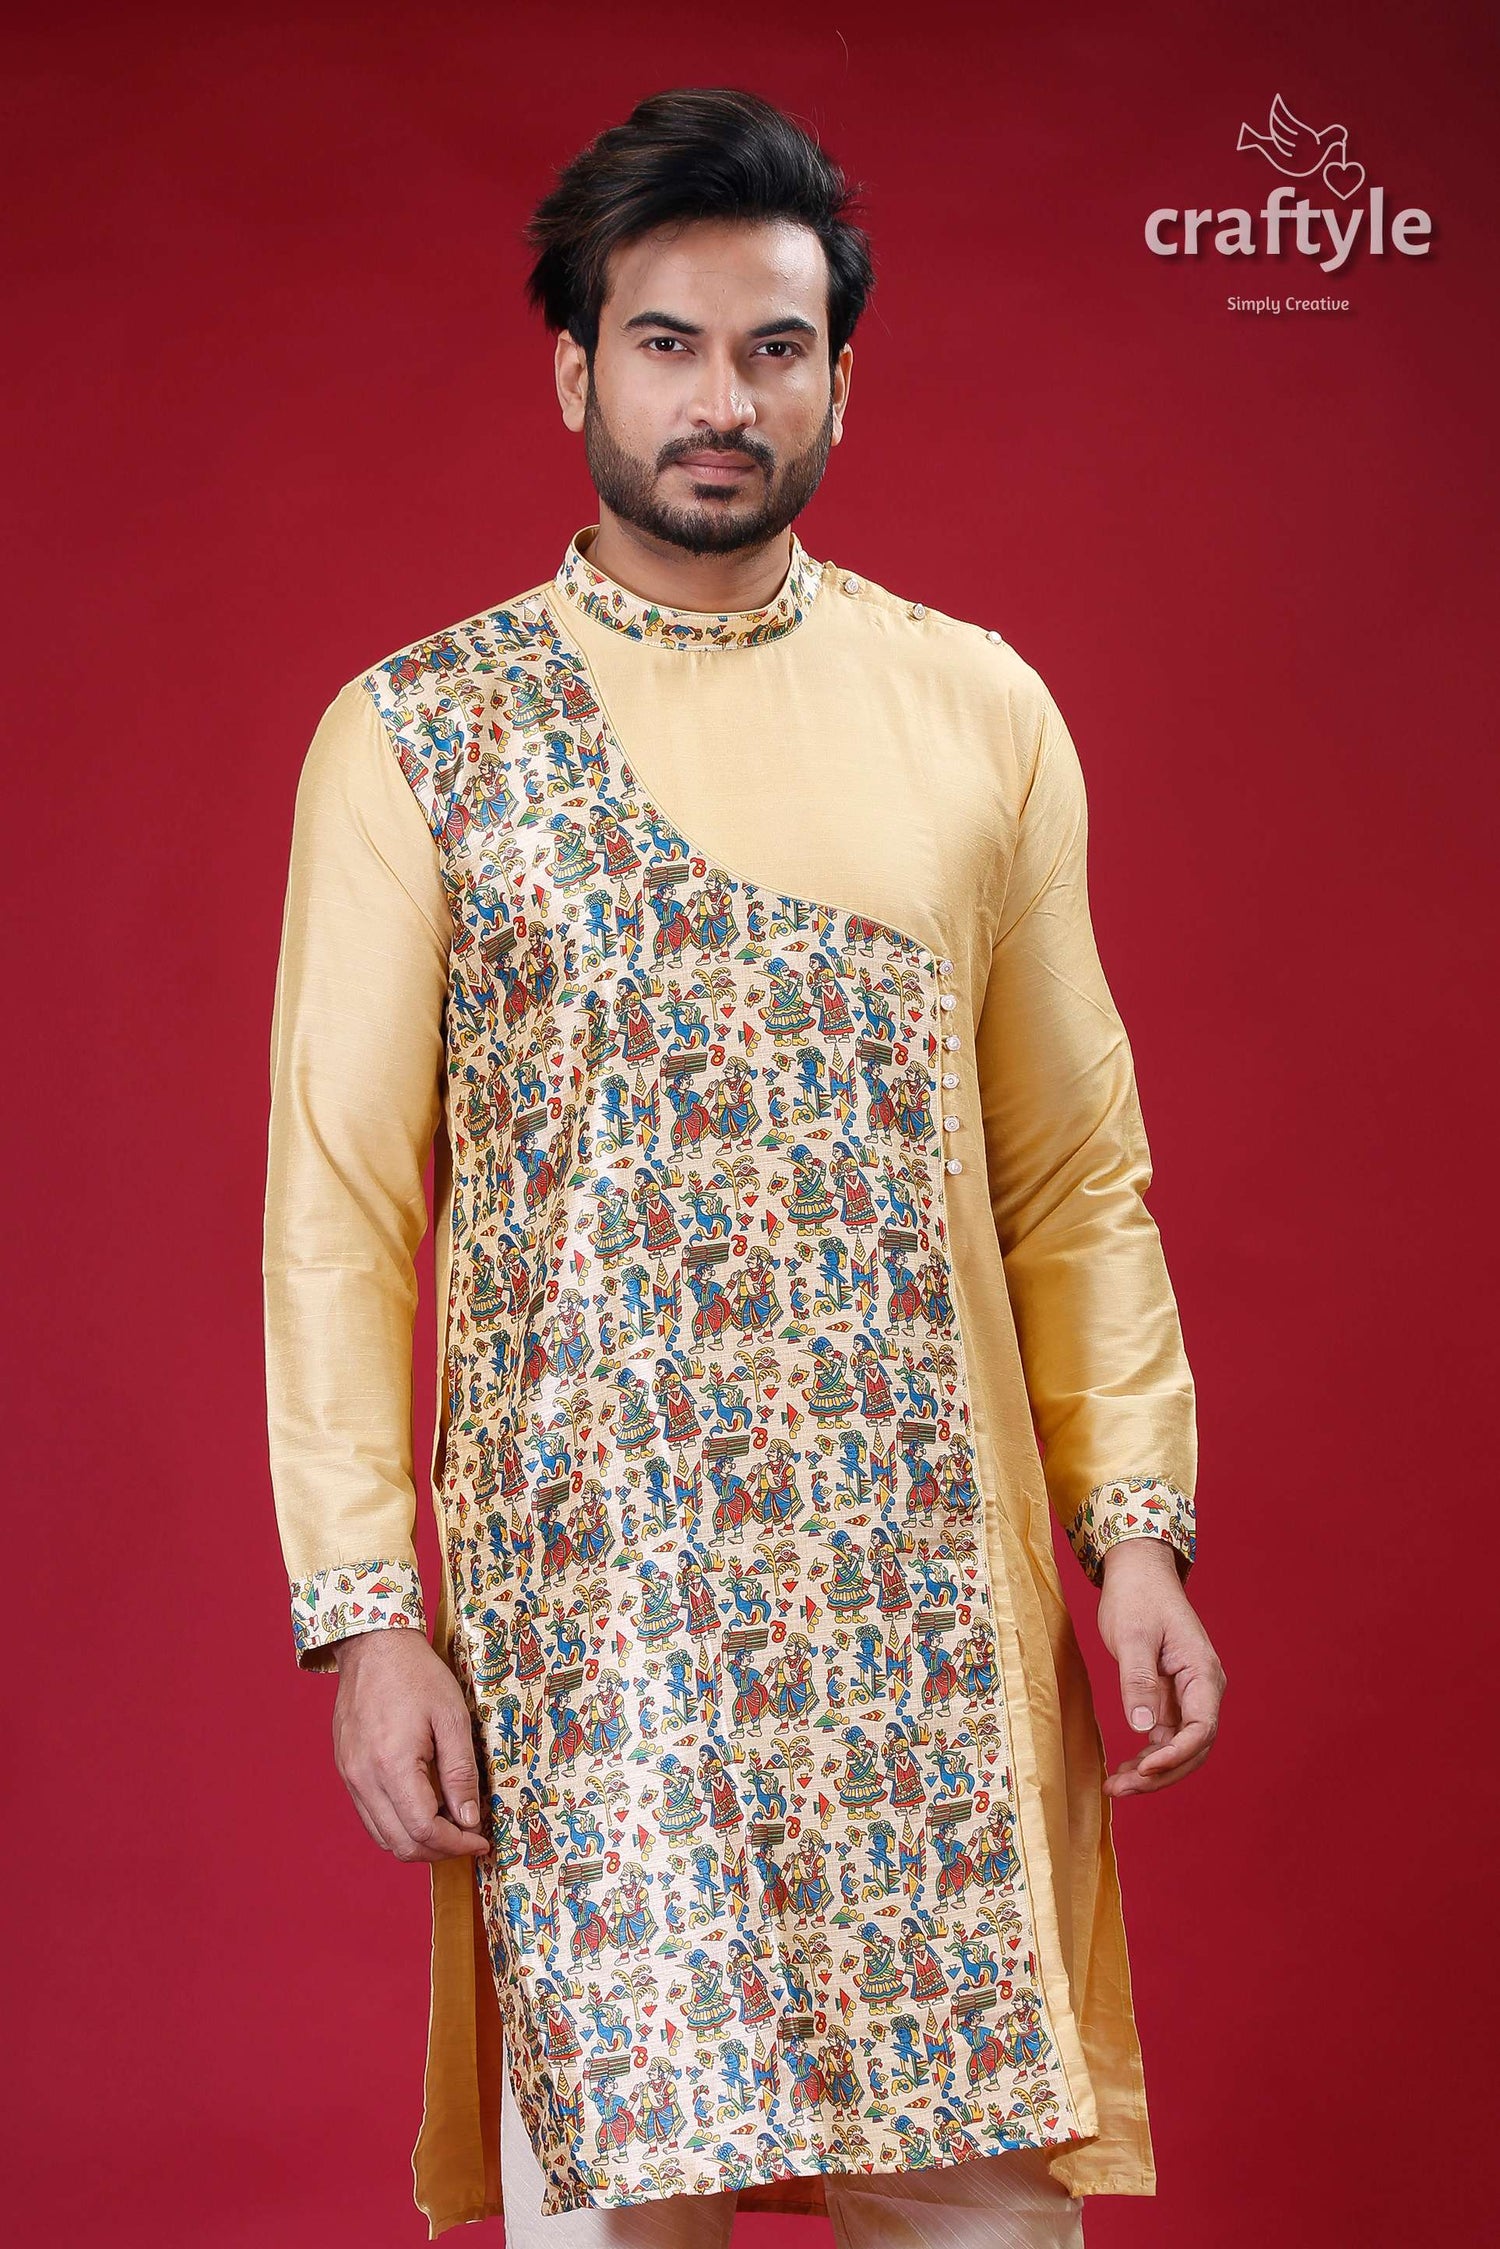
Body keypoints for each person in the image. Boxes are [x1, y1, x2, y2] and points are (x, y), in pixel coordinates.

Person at [262, 84, 1227, 2249]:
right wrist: (365, 1621)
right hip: (589, 1642)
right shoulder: (424, 732)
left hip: (922, 1630)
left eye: (773, 347)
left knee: (980, 2207)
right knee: (610, 2210)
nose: (722, 397)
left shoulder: (976, 711)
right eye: (669, 341)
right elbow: (339, 1205)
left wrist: (1135, 1533)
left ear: (840, 378)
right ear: (575, 370)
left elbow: (1074, 1168)